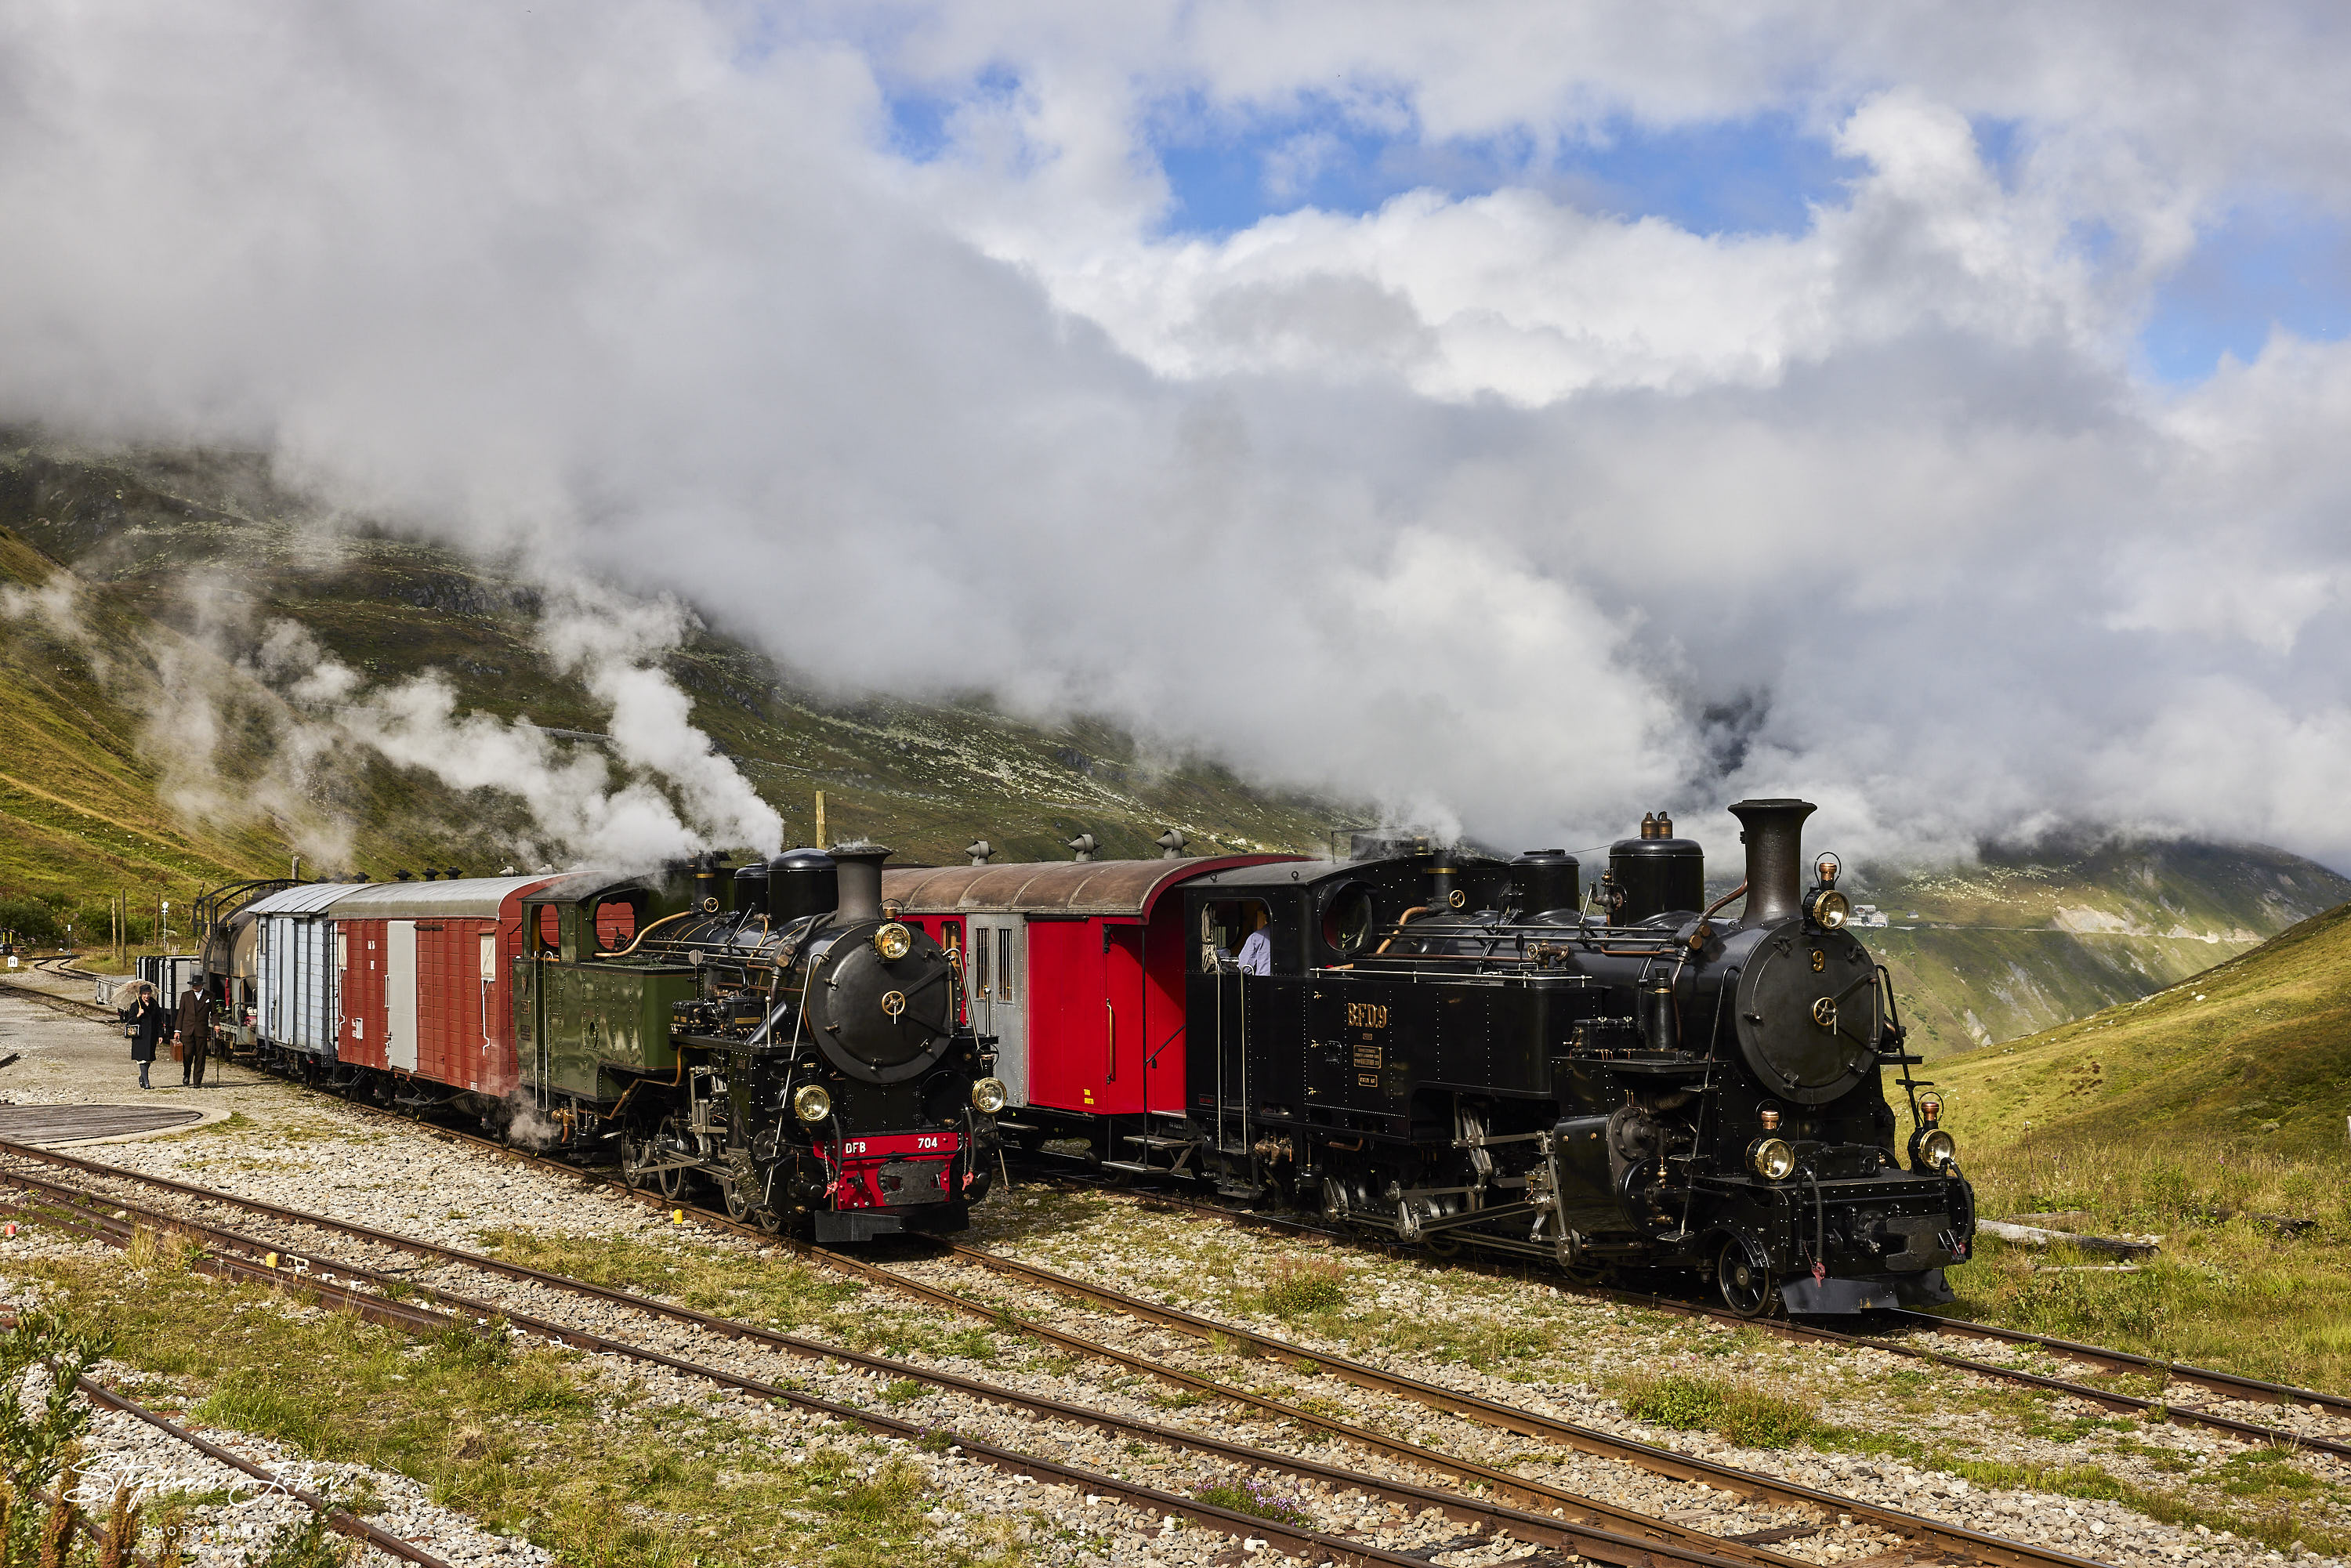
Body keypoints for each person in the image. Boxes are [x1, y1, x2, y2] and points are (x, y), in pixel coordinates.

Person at [119, 983, 165, 1089]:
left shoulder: (155, 1005)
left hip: (151, 1036)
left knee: (149, 1059)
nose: (147, 996)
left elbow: (159, 1021)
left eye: (148, 994)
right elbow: (130, 1021)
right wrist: (138, 1015)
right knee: (142, 1059)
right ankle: (147, 1082)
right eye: (144, 994)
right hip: (140, 1037)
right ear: (141, 994)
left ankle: (142, 1077)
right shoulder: (135, 1006)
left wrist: (160, 1034)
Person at [174, 979, 213, 1087]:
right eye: (193, 985)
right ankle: (186, 1074)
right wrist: (177, 1030)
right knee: (187, 1054)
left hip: (201, 1030)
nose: (195, 987)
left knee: (201, 1056)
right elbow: (181, 1013)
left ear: (201, 985)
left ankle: (197, 1081)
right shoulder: (186, 996)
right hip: (187, 1030)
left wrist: (217, 1024)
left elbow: (214, 1013)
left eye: (197, 985)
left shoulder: (209, 996)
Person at [1236, 907, 1273, 976]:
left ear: (1267, 917)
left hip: (1263, 982)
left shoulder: (1257, 937)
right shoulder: (1290, 935)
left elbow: (1245, 968)